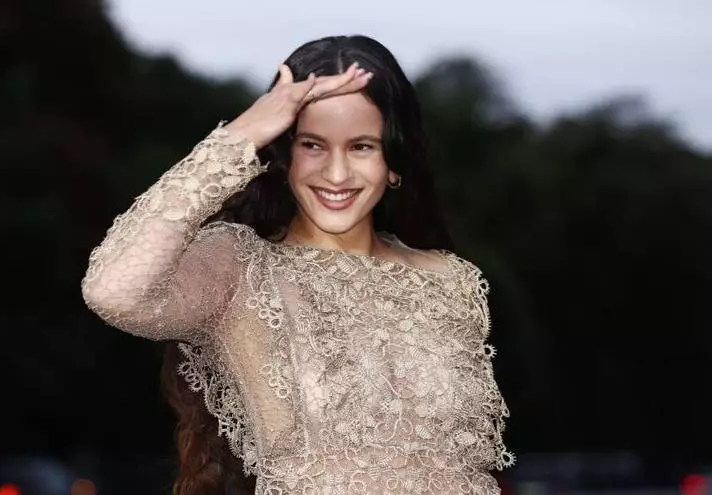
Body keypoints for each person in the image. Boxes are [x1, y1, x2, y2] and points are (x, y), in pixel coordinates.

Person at [81, 34, 515, 494]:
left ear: (394, 160)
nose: (336, 173)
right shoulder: (241, 268)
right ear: (284, 155)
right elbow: (114, 291)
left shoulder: (450, 279)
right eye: (313, 145)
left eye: (361, 146)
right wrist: (242, 135)